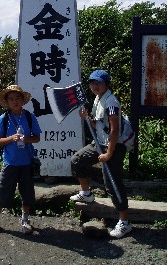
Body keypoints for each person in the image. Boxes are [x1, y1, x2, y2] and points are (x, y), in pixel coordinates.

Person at [70, 70, 132, 239]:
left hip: (113, 146)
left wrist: (109, 153)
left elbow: (114, 130)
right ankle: (87, 194)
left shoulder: (111, 102)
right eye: (92, 83)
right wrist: (86, 118)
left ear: (106, 84)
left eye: (98, 83)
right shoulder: (98, 99)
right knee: (77, 160)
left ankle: (125, 223)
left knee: (112, 183)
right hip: (99, 143)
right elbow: (98, 125)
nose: (95, 86)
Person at [0, 84, 41, 237]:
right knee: (2, 192)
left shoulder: (29, 117)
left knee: (27, 193)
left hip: (26, 162)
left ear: (23, 100)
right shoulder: (4, 118)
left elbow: (37, 138)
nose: (15, 102)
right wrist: (11, 138)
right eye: (11, 99)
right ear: (7, 102)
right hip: (10, 162)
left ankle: (25, 221)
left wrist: (26, 139)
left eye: (18, 98)